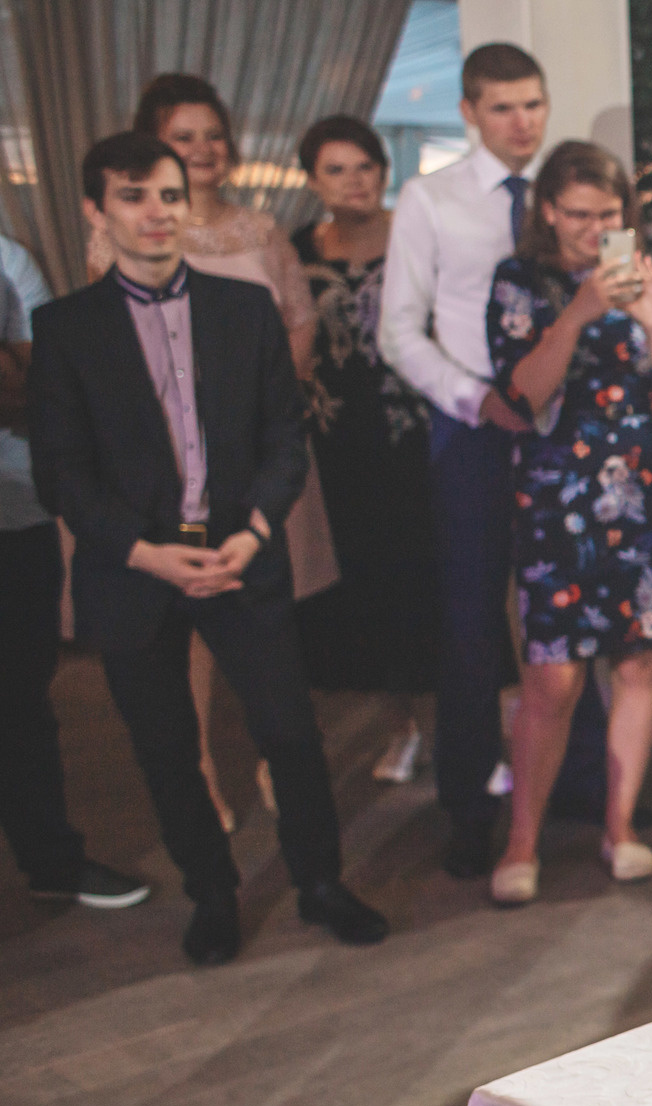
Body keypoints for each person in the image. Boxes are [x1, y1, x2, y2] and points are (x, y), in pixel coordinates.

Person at [34, 133, 388, 965]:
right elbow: (61, 474)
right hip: (135, 572)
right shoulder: (67, 327)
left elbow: (285, 436)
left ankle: (320, 883)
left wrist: (255, 530)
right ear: (96, 210)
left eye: (168, 194)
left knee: (291, 733)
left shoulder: (243, 307)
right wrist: (146, 553)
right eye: (133, 196)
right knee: (166, 749)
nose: (156, 212)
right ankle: (213, 893)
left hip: (241, 552)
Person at [381, 43, 614, 880]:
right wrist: (473, 398)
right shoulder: (431, 198)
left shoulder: (568, 196)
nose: (522, 122)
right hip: (475, 427)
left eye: (534, 104)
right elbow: (398, 329)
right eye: (503, 107)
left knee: (571, 613)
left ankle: (584, 781)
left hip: (568, 428)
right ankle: (469, 807)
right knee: (473, 623)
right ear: (470, 112)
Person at [92, 74, 340, 833]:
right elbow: (113, 334)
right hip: (168, 456)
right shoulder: (126, 232)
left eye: (213, 134)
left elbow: (299, 320)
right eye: (184, 135)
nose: (202, 148)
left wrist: (266, 404)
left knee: (265, 610)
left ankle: (276, 756)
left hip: (258, 449)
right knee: (189, 618)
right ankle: (200, 768)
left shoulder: (261, 230)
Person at [481, 142, 652, 904]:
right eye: (578, 214)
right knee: (553, 678)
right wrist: (578, 313)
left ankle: (620, 825)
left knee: (639, 666)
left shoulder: (648, 276)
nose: (593, 228)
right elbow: (522, 397)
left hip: (648, 496)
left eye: (608, 214)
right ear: (547, 210)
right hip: (559, 502)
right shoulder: (520, 282)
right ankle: (521, 839)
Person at [1, 234, 151, 913]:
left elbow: (40, 392)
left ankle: (52, 860)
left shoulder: (7, 261)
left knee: (22, 700)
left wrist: (14, 374)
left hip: (14, 513)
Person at [290, 116, 437, 784]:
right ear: (312, 180)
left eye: (365, 166)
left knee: (428, 583)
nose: (354, 181)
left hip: (417, 435)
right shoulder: (296, 250)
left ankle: (458, 728)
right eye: (336, 169)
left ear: (384, 171)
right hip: (336, 442)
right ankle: (401, 726)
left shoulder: (419, 238)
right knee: (364, 588)